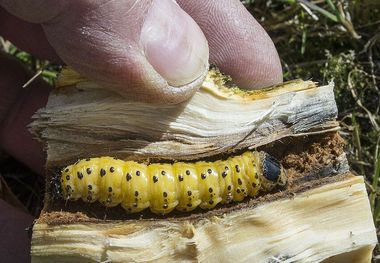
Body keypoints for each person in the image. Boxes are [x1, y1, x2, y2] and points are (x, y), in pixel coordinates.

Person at [0, 1, 282, 262]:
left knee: (174, 186)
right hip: (96, 176)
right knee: (172, 186)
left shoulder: (227, 179)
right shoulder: (229, 181)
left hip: (98, 174)